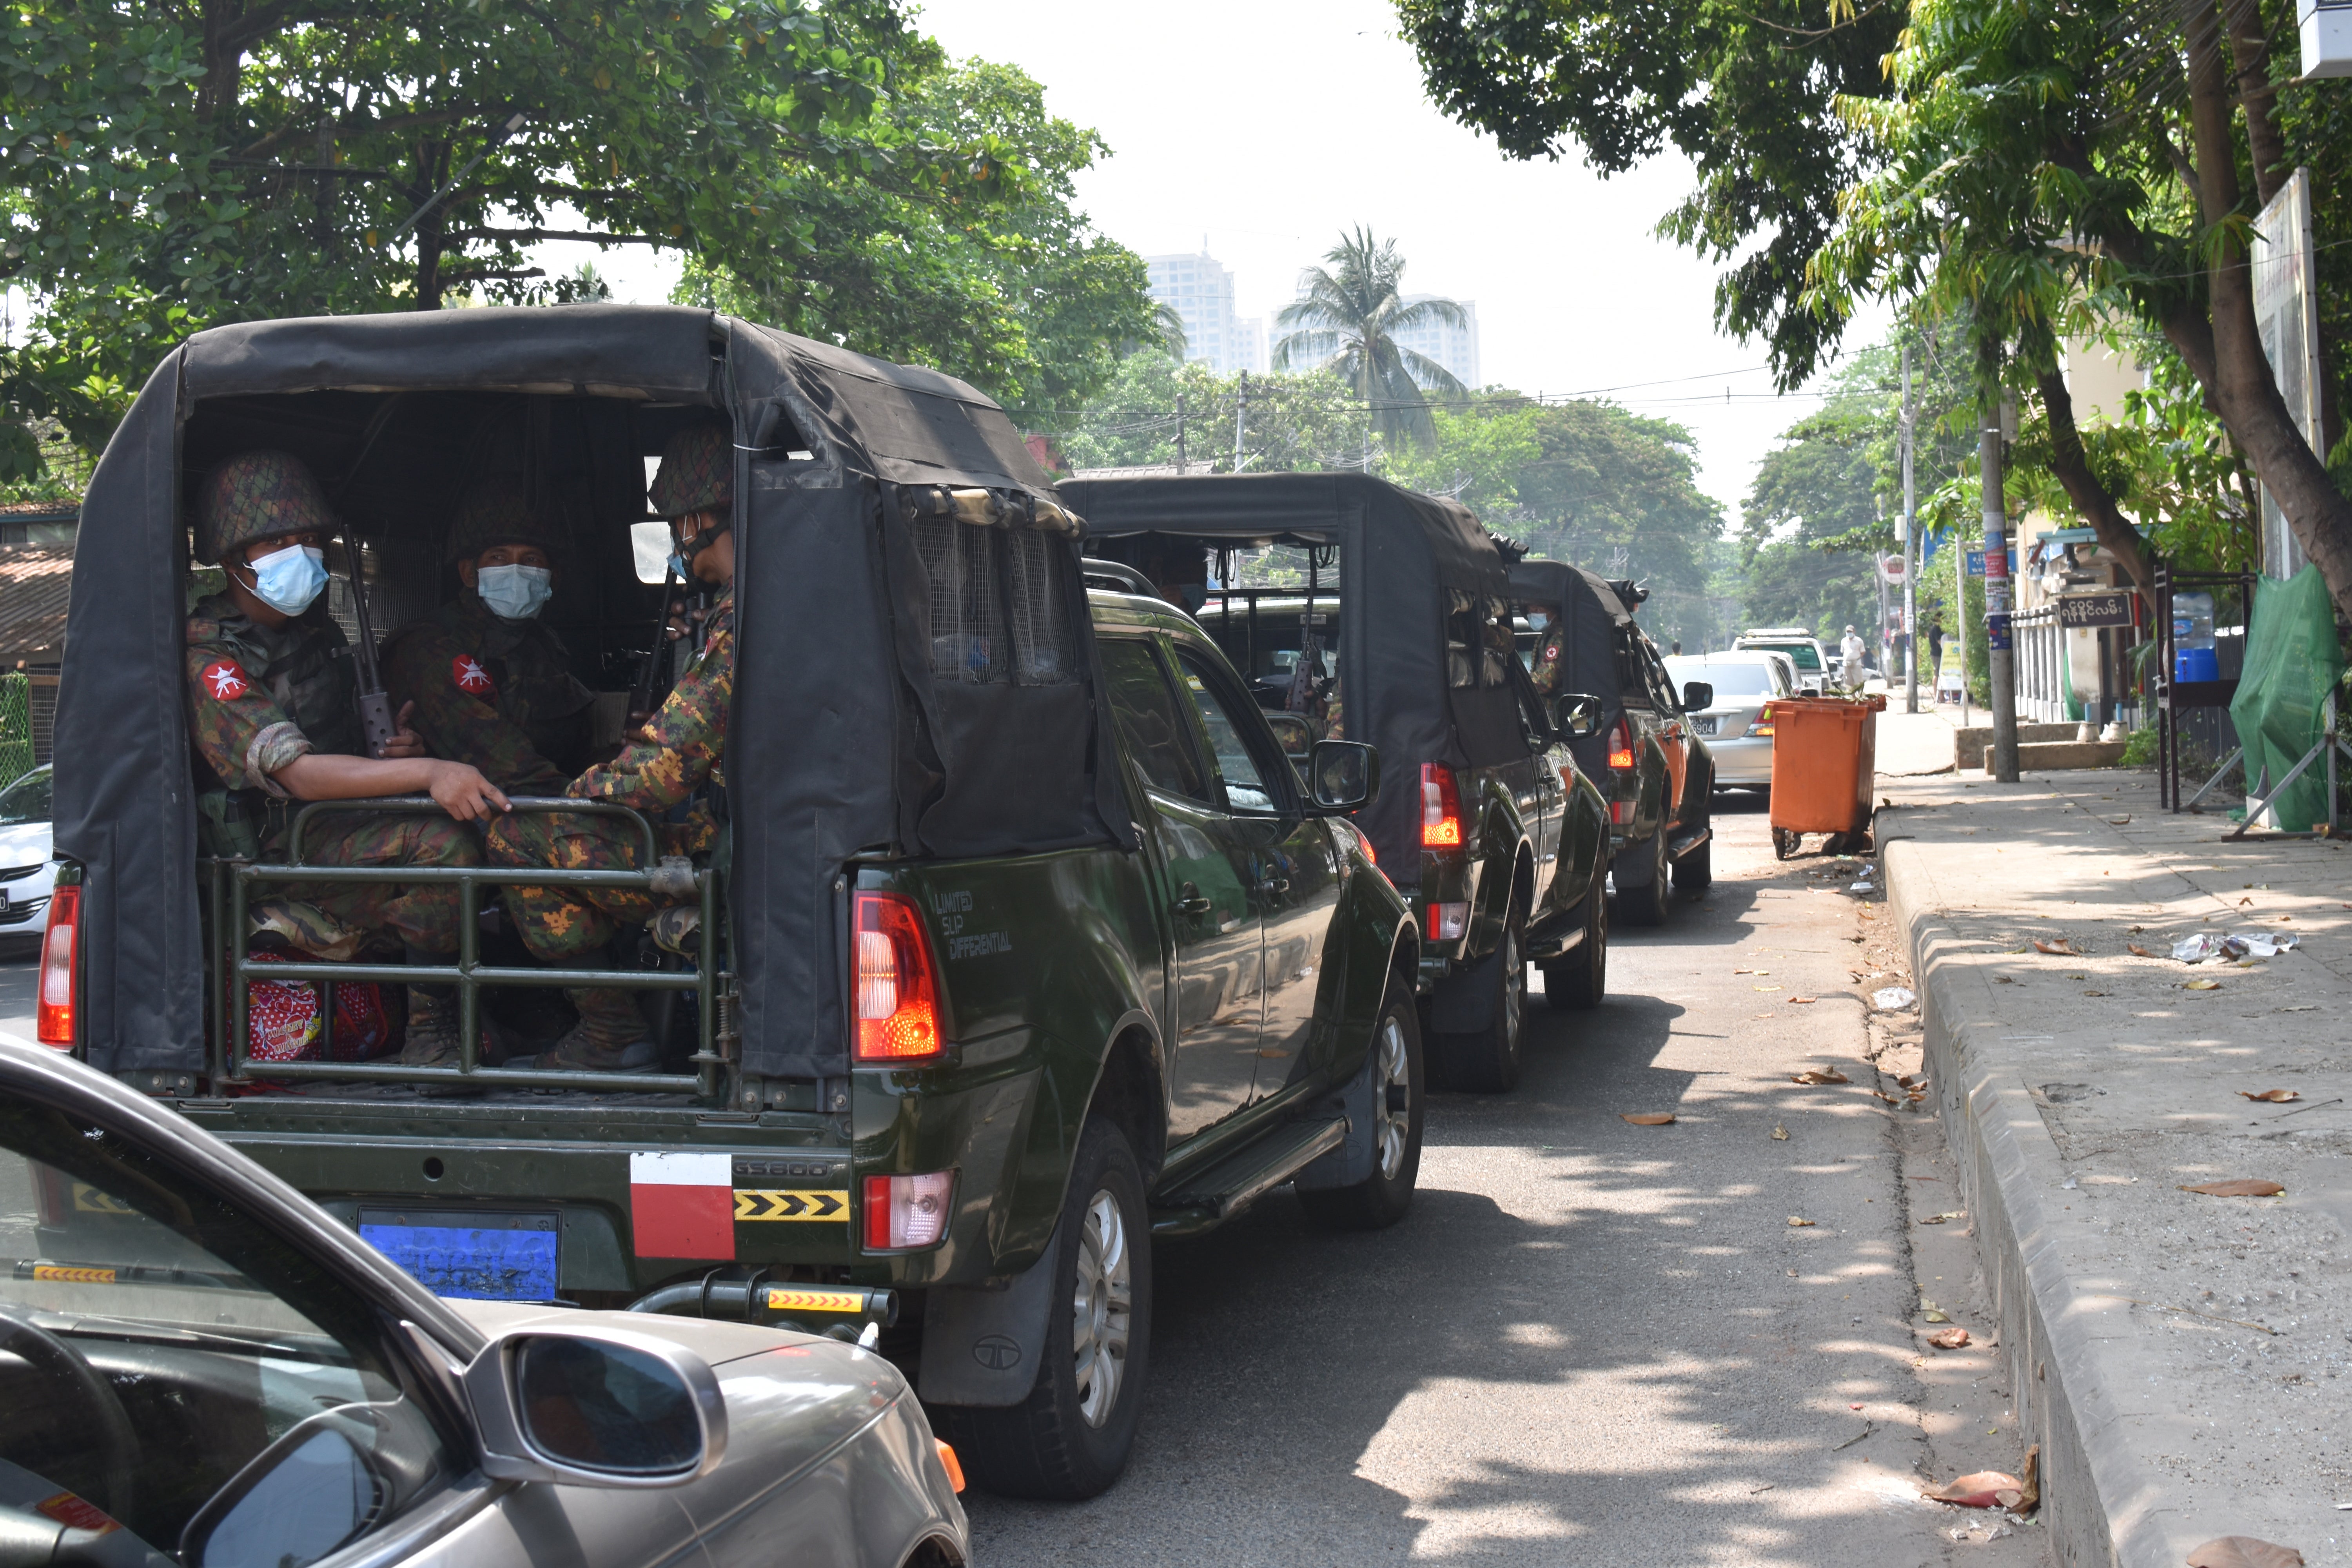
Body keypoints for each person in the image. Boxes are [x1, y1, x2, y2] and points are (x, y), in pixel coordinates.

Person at [185, 450, 508, 1066]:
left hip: (330, 827)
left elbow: (340, 754)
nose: (299, 553)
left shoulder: (315, 634)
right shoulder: (210, 660)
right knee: (442, 846)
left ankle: (472, 1015)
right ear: (232, 560)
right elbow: (299, 773)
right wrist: (428, 772)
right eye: (275, 541)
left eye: (308, 539)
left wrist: (393, 755)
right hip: (274, 846)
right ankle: (432, 1035)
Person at [486, 421, 736, 1072]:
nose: (681, 537)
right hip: (757, 849)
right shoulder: (781, 605)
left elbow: (659, 775)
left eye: (679, 520)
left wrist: (577, 795)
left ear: (703, 517)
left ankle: (610, 1033)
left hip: (735, 864)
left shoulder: (744, 625)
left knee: (520, 838)